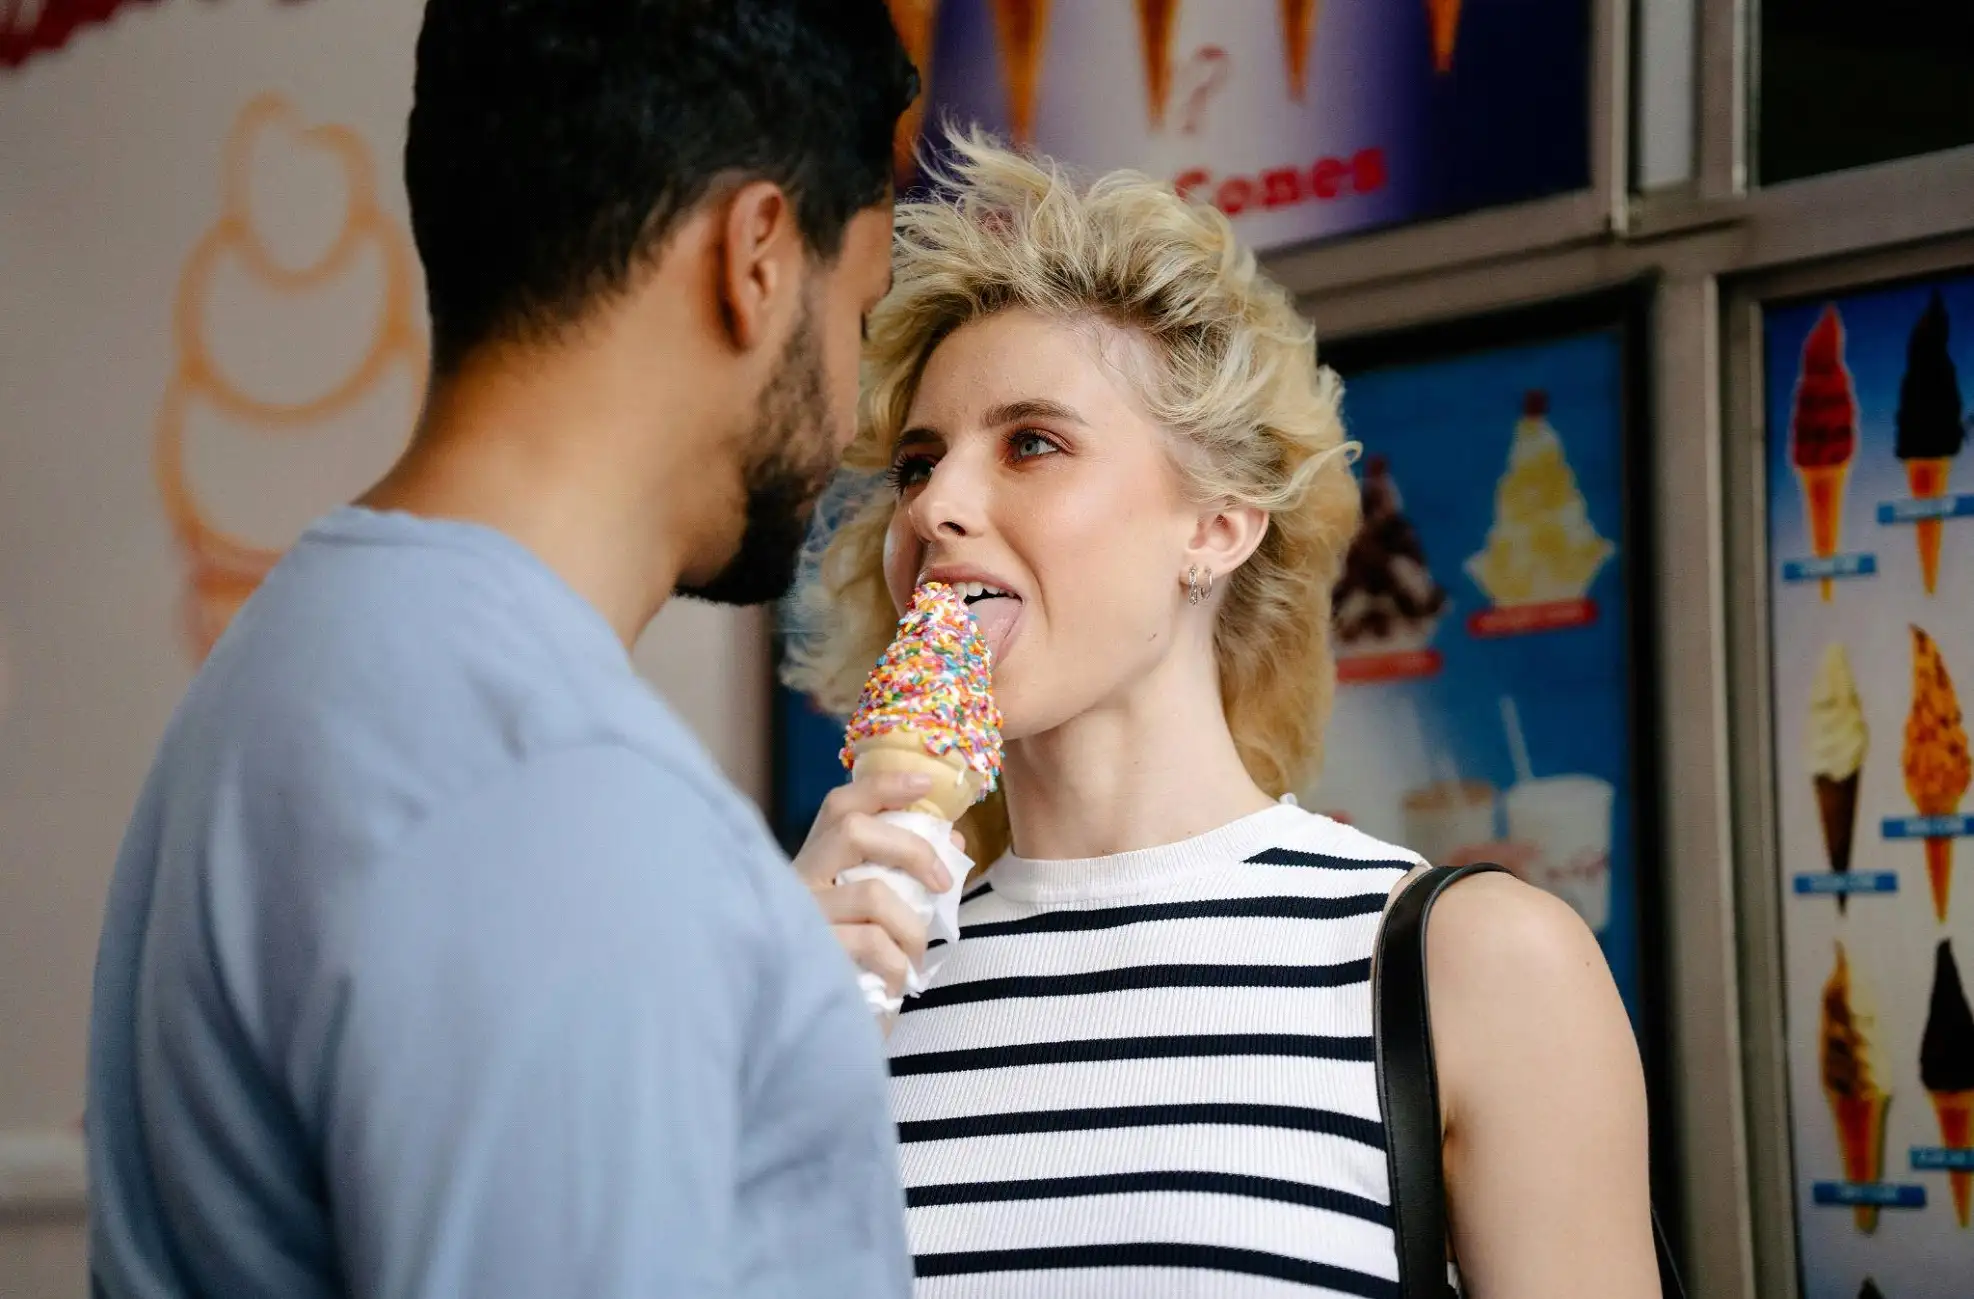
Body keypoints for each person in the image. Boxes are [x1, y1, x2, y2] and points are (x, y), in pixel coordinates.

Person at [85, 4, 924, 1296]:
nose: (859, 408)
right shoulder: (561, 795)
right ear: (756, 256)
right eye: (859, 315)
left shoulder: (290, 661)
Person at [783, 134, 1662, 1298]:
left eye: (1032, 443)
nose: (939, 504)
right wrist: (762, 1043)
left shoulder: (1470, 966)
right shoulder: (836, 981)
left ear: (1218, 527)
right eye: (917, 462)